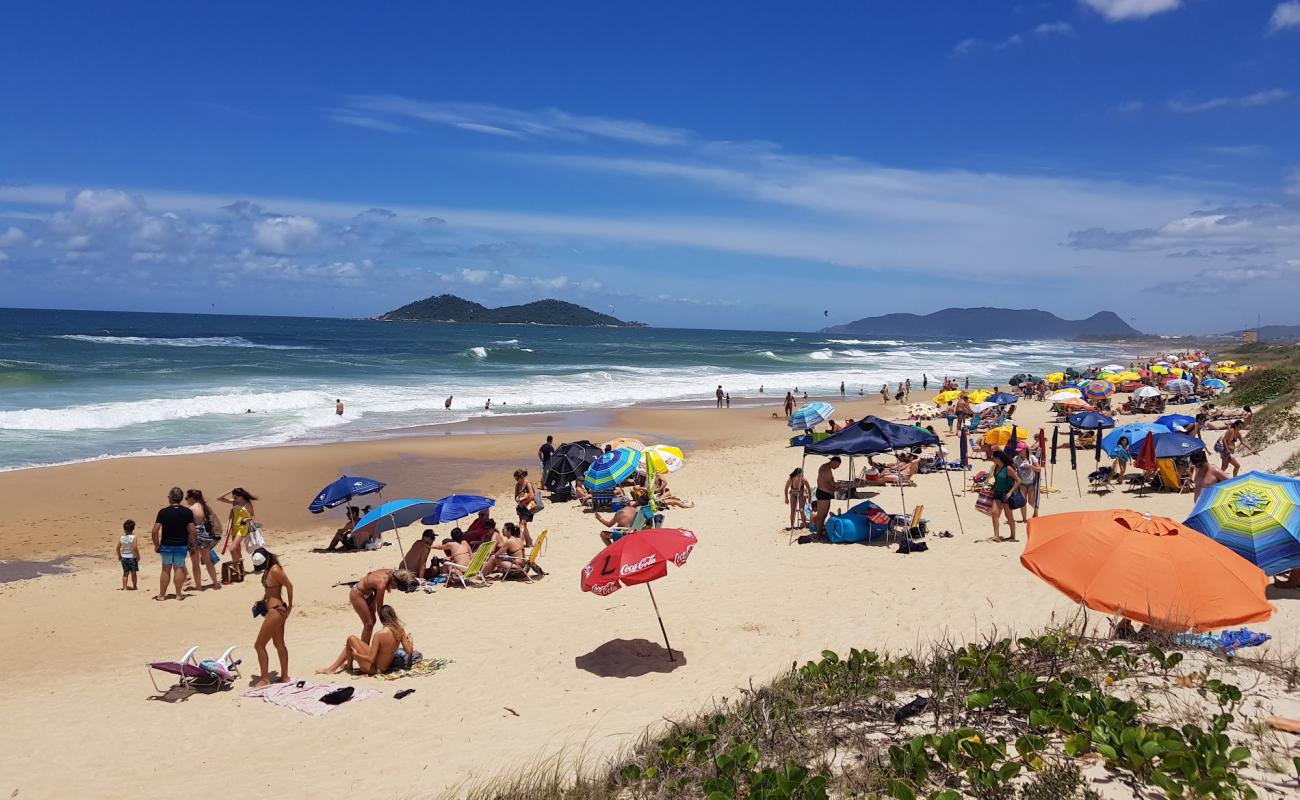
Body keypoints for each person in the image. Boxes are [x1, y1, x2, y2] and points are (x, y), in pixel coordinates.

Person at [318, 605, 412, 677]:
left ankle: (335, 669)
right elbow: (409, 651)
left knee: (350, 639)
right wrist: (410, 642)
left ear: (381, 618)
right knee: (352, 640)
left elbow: (371, 659)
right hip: (384, 667)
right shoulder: (400, 631)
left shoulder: (379, 635)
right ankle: (346, 667)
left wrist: (356, 655)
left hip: (374, 669)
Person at [250, 548, 293, 687]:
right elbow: (270, 591)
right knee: (278, 643)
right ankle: (285, 676)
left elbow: (289, 586)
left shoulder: (275, 570)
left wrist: (290, 607)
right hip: (273, 610)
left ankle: (264, 679)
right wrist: (262, 601)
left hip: (276, 611)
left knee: (259, 645)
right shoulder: (269, 569)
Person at [151, 487, 197, 601]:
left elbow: (154, 531)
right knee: (179, 568)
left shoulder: (163, 512)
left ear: (171, 498)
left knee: (165, 569)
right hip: (181, 545)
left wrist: (156, 545)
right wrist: (194, 544)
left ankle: (162, 595)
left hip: (166, 545)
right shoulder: (187, 512)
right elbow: (192, 530)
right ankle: (178, 594)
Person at [349, 568, 417, 643]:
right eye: (397, 586)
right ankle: (363, 648)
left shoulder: (392, 573)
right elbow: (379, 609)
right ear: (394, 581)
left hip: (369, 591)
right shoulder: (382, 584)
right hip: (357, 593)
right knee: (369, 624)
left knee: (373, 621)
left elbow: (371, 575)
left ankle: (365, 646)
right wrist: (389, 627)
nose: (396, 588)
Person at [185, 489, 222, 591]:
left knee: (195, 563)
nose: (186, 500)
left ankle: (199, 586)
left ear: (192, 498)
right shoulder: (205, 507)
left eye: (187, 498)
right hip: (205, 535)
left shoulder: (191, 509)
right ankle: (215, 583)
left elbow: (188, 525)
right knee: (208, 561)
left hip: (194, 537)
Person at [218, 487, 257, 573]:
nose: (234, 499)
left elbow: (253, 516)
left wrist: (247, 519)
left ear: (241, 496)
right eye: (234, 497)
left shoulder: (248, 504)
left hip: (242, 528)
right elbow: (219, 498)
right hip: (234, 527)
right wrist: (230, 491)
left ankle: (236, 567)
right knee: (237, 549)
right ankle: (241, 569)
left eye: (235, 497)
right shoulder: (234, 502)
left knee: (232, 548)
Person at [987, 450, 1022, 543]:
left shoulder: (1008, 469)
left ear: (998, 458)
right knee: (994, 513)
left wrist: (1010, 492)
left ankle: (1013, 536)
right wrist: (993, 487)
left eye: (993, 458)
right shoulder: (996, 468)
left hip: (1006, 494)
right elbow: (998, 480)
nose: (992, 460)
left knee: (1008, 516)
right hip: (997, 493)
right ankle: (996, 536)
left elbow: (1018, 481)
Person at [1013, 442, 1041, 522]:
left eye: (1020, 450)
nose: (1019, 452)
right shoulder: (1016, 459)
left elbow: (1039, 469)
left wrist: (1030, 466)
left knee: (1031, 501)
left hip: (1031, 482)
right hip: (1022, 484)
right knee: (1023, 502)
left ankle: (1036, 511)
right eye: (1018, 450)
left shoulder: (1031, 458)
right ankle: (1024, 519)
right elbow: (1013, 469)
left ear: (1025, 449)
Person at [813, 457, 840, 533]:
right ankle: (818, 533)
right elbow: (825, 484)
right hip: (823, 493)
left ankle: (820, 531)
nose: (837, 467)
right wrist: (835, 489)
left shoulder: (827, 468)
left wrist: (836, 486)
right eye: (838, 465)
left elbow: (829, 481)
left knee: (824, 515)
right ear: (834, 462)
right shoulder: (825, 468)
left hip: (825, 493)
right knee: (821, 515)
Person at [513, 468, 537, 547]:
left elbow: (533, 496)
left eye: (518, 478)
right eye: (516, 478)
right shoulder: (517, 485)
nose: (517, 480)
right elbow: (515, 497)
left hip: (529, 506)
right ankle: (529, 541)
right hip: (521, 508)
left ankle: (520, 542)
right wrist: (518, 501)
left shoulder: (528, 484)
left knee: (522, 524)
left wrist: (524, 501)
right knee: (523, 524)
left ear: (522, 477)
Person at [116, 519, 139, 591]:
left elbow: (117, 548)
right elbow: (134, 547)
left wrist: (119, 555)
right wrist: (138, 555)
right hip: (132, 557)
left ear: (124, 529)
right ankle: (134, 586)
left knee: (125, 573)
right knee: (133, 573)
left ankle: (125, 587)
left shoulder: (122, 538)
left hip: (124, 557)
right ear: (133, 528)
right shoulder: (134, 537)